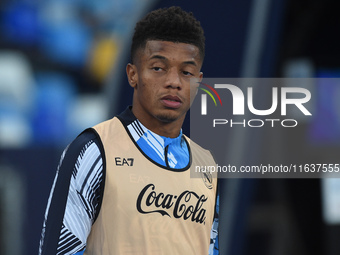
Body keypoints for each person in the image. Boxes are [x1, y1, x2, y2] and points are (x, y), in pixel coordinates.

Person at [39, 6, 219, 255]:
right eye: (158, 68)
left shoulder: (206, 165)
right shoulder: (93, 150)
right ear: (133, 74)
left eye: (186, 72)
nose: (174, 82)